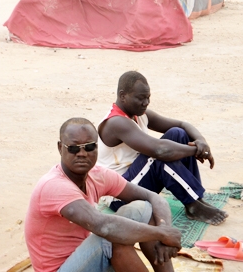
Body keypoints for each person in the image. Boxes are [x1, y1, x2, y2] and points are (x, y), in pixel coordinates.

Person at [25, 118, 213, 272]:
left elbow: (153, 198)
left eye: (90, 147)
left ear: (97, 147)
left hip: (82, 266)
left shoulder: (96, 175)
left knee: (143, 208)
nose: (82, 153)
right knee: (113, 235)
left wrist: (165, 228)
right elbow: (103, 226)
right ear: (60, 148)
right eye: (74, 148)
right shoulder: (55, 186)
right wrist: (162, 233)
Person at [97, 71, 227, 225]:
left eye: (148, 98)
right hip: (120, 194)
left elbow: (182, 125)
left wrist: (201, 141)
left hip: (139, 179)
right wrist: (196, 150)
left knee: (177, 134)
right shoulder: (116, 122)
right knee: (158, 155)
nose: (146, 103)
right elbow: (159, 150)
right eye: (140, 98)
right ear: (123, 95)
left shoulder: (140, 115)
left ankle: (196, 197)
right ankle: (192, 205)